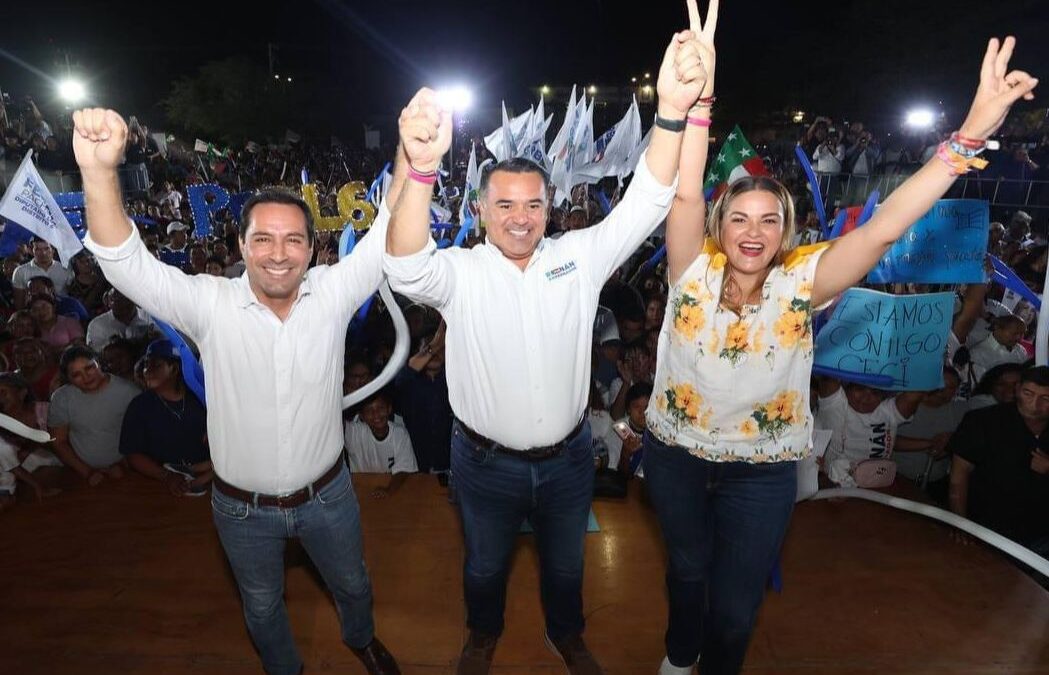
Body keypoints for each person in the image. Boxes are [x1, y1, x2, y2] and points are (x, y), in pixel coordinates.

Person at [642, 21, 1036, 675]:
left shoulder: (803, 280)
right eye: (738, 217)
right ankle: (680, 652)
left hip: (762, 472)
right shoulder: (690, 269)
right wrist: (697, 101)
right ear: (717, 227)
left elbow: (884, 227)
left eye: (769, 219)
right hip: (675, 456)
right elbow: (685, 190)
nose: (753, 229)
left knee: (737, 611)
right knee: (685, 573)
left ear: (785, 233)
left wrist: (967, 135)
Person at [383, 25, 705, 674]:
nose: (520, 217)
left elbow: (647, 197)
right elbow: (403, 263)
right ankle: (483, 631)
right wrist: (417, 164)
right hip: (481, 462)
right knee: (482, 563)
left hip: (566, 460)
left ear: (551, 206)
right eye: (504, 204)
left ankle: (566, 632)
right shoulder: (460, 272)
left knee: (566, 562)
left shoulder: (579, 258)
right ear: (480, 209)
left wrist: (671, 111)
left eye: (533, 203)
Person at [72, 107, 404, 675]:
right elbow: (123, 262)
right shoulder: (209, 302)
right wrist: (99, 171)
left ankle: (362, 639)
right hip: (241, 510)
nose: (279, 253)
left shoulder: (333, 292)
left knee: (353, 583)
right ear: (242, 245)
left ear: (313, 249)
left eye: (294, 240)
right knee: (260, 604)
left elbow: (390, 227)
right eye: (264, 239)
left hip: (329, 498)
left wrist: (415, 160)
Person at [949, 366, 1049, 560]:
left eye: (1046, 399)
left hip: (1042, 533)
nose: (1034, 404)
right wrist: (959, 522)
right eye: (1028, 393)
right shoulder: (983, 421)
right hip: (990, 529)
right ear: (1018, 389)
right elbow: (958, 476)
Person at [120, 339, 211, 496]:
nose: (147, 370)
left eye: (156, 365)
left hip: (208, 484)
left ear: (175, 369)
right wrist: (167, 476)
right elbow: (132, 454)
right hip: (158, 485)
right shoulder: (140, 406)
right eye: (146, 365)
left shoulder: (201, 399)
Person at [48, 345, 139, 484]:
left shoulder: (129, 392)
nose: (86, 377)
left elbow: (142, 437)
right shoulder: (62, 398)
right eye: (76, 374)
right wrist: (87, 472)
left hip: (129, 470)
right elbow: (59, 441)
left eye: (89, 368)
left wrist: (124, 463)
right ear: (68, 378)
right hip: (79, 473)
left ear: (99, 363)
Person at [344, 388, 417, 499]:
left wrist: (389, 490)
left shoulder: (399, 434)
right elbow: (335, 420)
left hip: (392, 489)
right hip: (362, 491)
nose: (376, 414)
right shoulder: (354, 433)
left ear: (389, 409)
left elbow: (404, 470)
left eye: (381, 408)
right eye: (369, 410)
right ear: (361, 416)